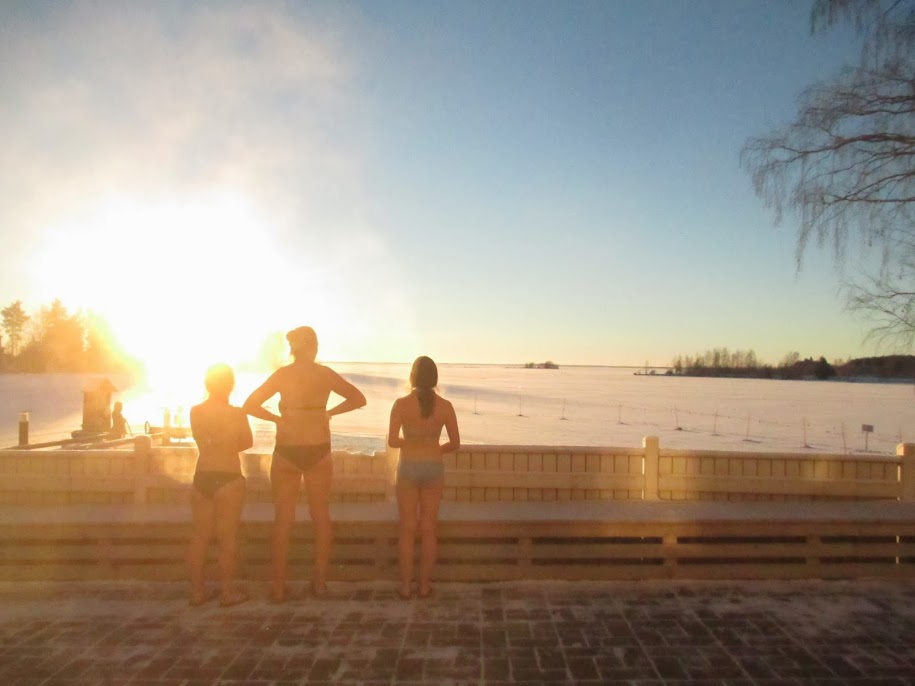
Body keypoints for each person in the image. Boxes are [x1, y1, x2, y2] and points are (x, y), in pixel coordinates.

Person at [243, 326, 366, 603]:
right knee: (320, 517)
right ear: (314, 347)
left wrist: (277, 419)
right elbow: (359, 398)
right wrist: (328, 413)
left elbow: (249, 405)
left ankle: (278, 588)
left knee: (283, 520)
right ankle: (319, 584)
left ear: (294, 349)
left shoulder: (282, 375)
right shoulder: (324, 374)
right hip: (317, 449)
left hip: (287, 450)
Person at [388, 356, 460, 599]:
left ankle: (405, 587)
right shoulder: (446, 406)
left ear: (412, 377)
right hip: (433, 468)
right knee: (428, 528)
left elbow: (392, 441)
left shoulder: (401, 404)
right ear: (435, 379)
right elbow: (455, 443)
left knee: (407, 528)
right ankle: (424, 586)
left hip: (408, 467)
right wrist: (435, 448)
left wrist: (411, 442)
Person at [187, 363, 253, 607]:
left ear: (207, 384)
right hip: (228, 477)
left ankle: (197, 592)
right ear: (231, 385)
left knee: (200, 537)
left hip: (202, 476)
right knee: (227, 539)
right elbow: (247, 442)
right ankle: (227, 593)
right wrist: (229, 445)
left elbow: (201, 440)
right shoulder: (237, 413)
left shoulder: (195, 411)